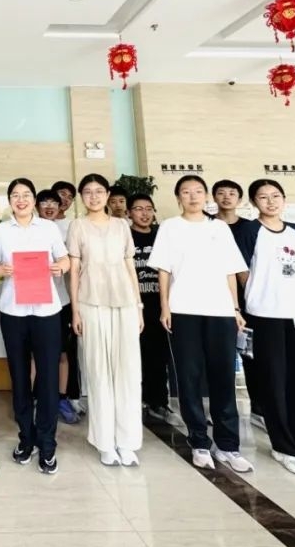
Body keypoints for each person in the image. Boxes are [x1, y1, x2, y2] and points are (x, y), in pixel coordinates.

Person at [232, 180, 295, 478]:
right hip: (265, 314)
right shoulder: (250, 231)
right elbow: (240, 269)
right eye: (263, 197)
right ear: (254, 203)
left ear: (284, 199)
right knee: (273, 380)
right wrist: (254, 293)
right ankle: (284, 447)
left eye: (276, 196)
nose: (271, 201)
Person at [149, 175, 253, 472]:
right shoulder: (170, 227)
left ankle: (228, 445)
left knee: (223, 377)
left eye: (197, 191)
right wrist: (165, 307)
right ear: (178, 197)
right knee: (189, 376)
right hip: (183, 310)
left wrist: (235, 308)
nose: (192, 196)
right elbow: (164, 271)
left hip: (220, 310)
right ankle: (199, 441)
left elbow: (230, 271)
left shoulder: (219, 228)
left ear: (205, 196)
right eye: (186, 192)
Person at [0, 178, 69, 475]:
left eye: (26, 195)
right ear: (9, 201)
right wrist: (1, 269)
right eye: (15, 195)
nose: (21, 199)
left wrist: (60, 266)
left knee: (48, 378)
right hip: (13, 311)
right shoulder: (0, 230)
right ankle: (26, 438)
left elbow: (64, 259)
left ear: (34, 199)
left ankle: (47, 444)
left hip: (46, 311)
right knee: (20, 378)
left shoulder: (48, 228)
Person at [68, 174, 143, 467]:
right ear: (81, 197)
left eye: (99, 191)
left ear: (108, 194)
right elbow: (74, 271)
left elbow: (130, 266)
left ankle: (127, 441)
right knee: (98, 372)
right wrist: (75, 310)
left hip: (125, 302)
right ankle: (104, 442)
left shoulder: (122, 225)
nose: (94, 196)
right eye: (87, 192)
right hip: (91, 303)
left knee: (127, 372)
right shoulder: (77, 226)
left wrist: (138, 306)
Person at [211, 178, 264, 429]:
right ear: (213, 198)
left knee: (252, 354)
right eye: (221, 193)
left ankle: (259, 407)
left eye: (232, 193)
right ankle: (220, 408)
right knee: (218, 357)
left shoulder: (251, 228)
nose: (226, 197)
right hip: (215, 299)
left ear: (240, 199)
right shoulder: (208, 225)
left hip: (249, 300)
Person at [129, 194, 177, 423]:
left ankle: (158, 401)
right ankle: (135, 400)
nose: (145, 213)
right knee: (134, 356)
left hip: (159, 305)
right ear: (129, 213)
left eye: (149, 208)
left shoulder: (162, 236)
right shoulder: (125, 236)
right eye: (139, 209)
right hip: (132, 306)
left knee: (158, 356)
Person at [38, 189, 82, 424]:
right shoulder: (31, 229)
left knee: (62, 353)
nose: (49, 206)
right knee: (34, 354)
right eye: (44, 202)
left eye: (53, 202)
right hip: (34, 301)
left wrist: (62, 265)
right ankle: (36, 399)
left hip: (62, 301)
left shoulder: (67, 229)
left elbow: (72, 264)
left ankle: (62, 398)